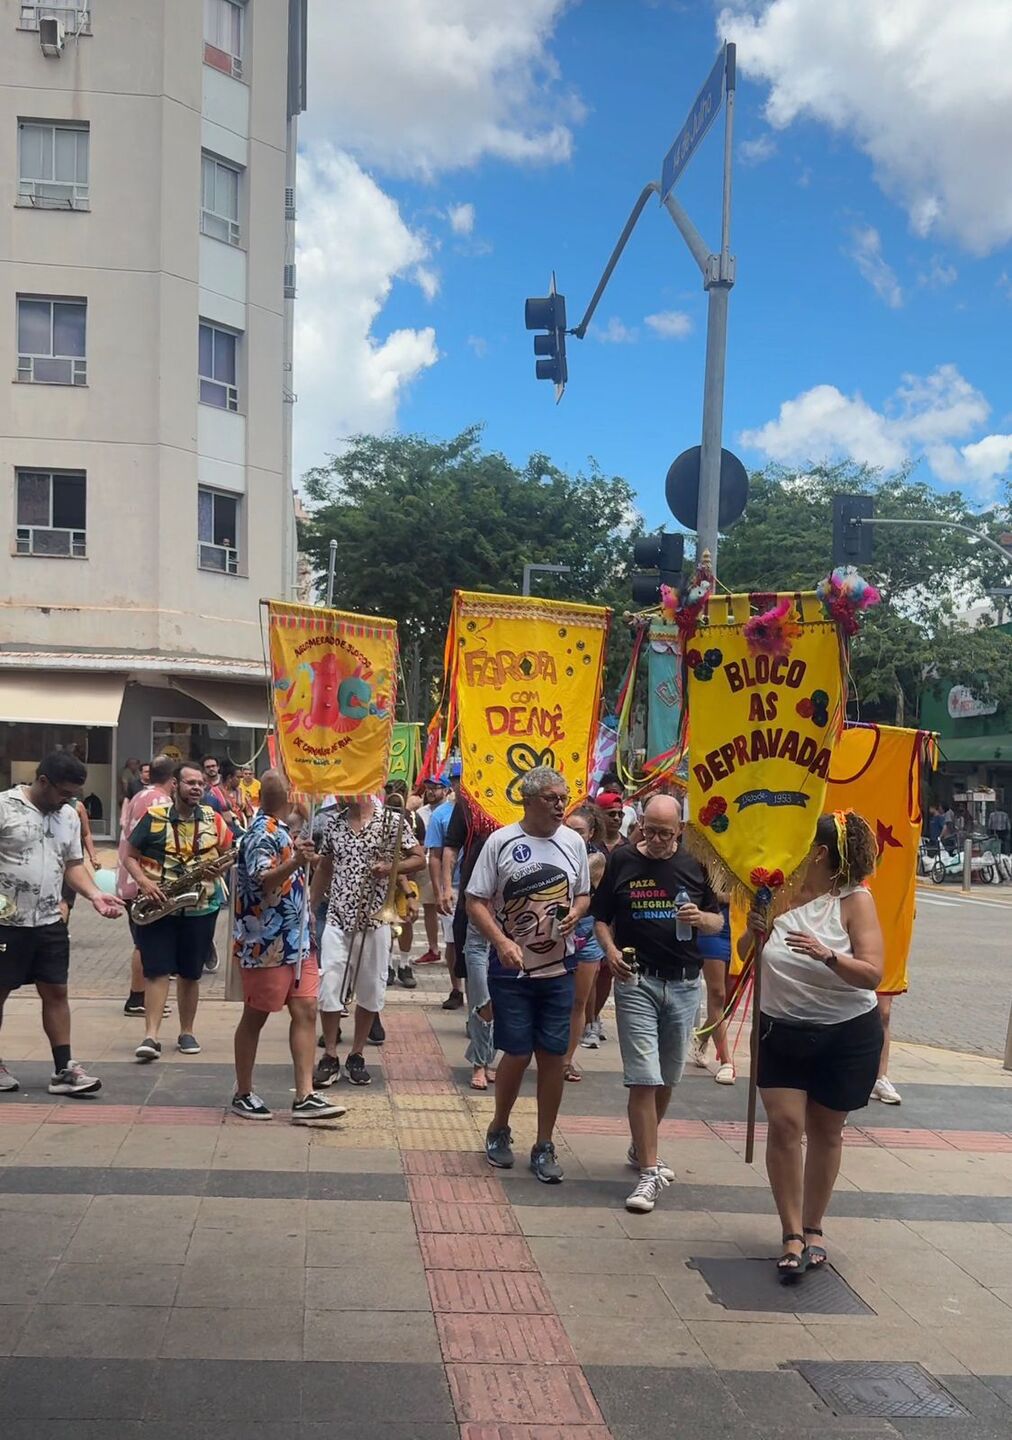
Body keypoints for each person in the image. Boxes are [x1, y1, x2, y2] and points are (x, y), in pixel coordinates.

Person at [739, 811, 884, 1280]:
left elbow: (872, 973)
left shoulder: (854, 900)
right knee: (784, 1126)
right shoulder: (774, 894)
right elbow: (746, 952)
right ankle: (791, 1233)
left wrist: (827, 955)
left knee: (826, 1130)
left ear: (819, 852)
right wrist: (754, 929)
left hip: (845, 1033)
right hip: (780, 1028)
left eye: (799, 842)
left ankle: (815, 1225)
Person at [593, 793, 723, 1214]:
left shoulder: (695, 863)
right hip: (636, 981)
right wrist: (609, 951)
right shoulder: (623, 860)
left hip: (685, 984)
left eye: (666, 833)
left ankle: (639, 1147)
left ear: (680, 830)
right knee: (643, 1078)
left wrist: (701, 921)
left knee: (668, 1078)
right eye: (649, 830)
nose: (657, 840)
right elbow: (600, 918)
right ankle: (649, 1171)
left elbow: (717, 919)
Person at [466, 766, 590, 1184]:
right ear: (530, 800)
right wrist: (502, 942)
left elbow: (585, 893)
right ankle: (500, 1126)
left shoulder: (573, 842)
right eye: (553, 798)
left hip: (560, 966)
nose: (560, 805)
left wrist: (577, 912)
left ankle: (544, 1143)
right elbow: (476, 901)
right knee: (516, 1053)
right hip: (513, 969)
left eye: (564, 797)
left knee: (553, 1056)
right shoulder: (501, 842)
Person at [0, 752, 124, 1096]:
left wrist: (95, 895)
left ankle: (64, 1070)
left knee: (56, 991)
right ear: (43, 782)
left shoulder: (68, 816)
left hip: (49, 920)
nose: (69, 800)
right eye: (64, 793)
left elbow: (72, 864)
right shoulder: (4, 807)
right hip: (5, 922)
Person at [231, 771, 345, 1124]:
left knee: (307, 1010)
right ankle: (243, 1092)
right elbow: (262, 880)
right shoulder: (262, 833)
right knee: (256, 1016)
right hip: (268, 942)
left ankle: (305, 1094)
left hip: (295, 942)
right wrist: (295, 862)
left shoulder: (283, 831)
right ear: (291, 797)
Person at [310, 792, 425, 1088]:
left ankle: (357, 1054)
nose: (342, 794)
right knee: (329, 987)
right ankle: (331, 1055)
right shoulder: (333, 822)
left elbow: (419, 857)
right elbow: (325, 866)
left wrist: (390, 869)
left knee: (371, 989)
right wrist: (310, 908)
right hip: (337, 918)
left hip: (375, 920)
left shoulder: (392, 820)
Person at [124, 761, 233, 1062]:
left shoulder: (213, 819)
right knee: (157, 970)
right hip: (160, 905)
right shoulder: (154, 817)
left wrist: (218, 868)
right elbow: (130, 855)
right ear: (175, 784)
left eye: (200, 783)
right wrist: (144, 882)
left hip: (200, 906)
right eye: (190, 783)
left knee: (190, 973)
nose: (197, 787)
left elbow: (229, 855)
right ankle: (151, 1036)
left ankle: (187, 1032)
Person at [441, 796, 495, 1091]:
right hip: (475, 906)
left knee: (502, 991)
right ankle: (479, 1061)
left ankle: (489, 1054)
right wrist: (447, 886)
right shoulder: (470, 799)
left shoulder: (524, 797)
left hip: (513, 913)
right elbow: (451, 846)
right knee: (479, 989)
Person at [117, 755, 177, 1016]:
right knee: (146, 944)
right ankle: (140, 998)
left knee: (142, 943)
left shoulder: (141, 795)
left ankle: (139, 997)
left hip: (129, 878)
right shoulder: (161, 802)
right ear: (173, 781)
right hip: (145, 882)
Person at [562, 809, 607, 1083]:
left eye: (579, 831)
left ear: (591, 834)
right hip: (557, 928)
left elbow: (577, 876)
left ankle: (566, 1060)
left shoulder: (597, 858)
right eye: (568, 828)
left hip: (586, 930)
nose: (571, 835)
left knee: (578, 1001)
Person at [427, 768, 465, 1011]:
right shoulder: (441, 814)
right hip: (454, 885)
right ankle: (456, 987)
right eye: (458, 780)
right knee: (452, 940)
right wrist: (442, 889)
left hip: (480, 886)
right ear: (452, 783)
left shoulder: (485, 810)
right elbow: (436, 855)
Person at [688, 893, 736, 1085]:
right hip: (716, 925)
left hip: (745, 926)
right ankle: (726, 1062)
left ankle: (702, 1035)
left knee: (732, 1000)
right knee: (718, 994)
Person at [408, 776, 447, 969]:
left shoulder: (450, 811)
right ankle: (433, 949)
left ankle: (451, 946)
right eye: (428, 788)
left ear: (446, 790)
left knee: (447, 908)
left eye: (436, 788)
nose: (431, 791)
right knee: (430, 907)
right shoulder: (420, 813)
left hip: (446, 867)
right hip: (424, 864)